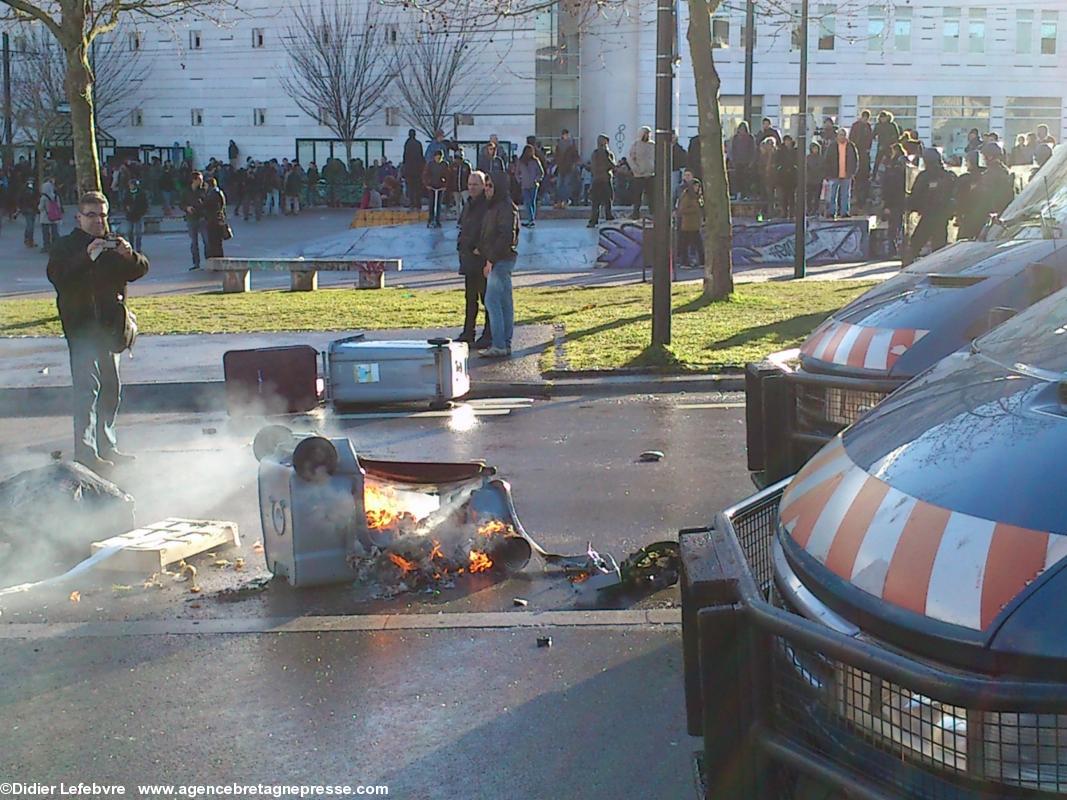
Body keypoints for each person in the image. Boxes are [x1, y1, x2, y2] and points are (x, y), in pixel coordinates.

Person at [46, 191, 149, 474]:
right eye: (91, 215)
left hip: (110, 329)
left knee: (111, 390)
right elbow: (58, 277)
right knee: (86, 392)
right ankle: (86, 453)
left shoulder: (111, 244)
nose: (98, 221)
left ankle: (108, 446)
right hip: (81, 329)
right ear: (79, 217)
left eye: (102, 215)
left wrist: (130, 256)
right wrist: (85, 258)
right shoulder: (67, 246)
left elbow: (139, 270)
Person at [478, 171, 520, 359]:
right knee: (503, 302)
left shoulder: (505, 207)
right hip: (499, 258)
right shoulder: (494, 207)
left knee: (493, 301)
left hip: (501, 260)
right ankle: (504, 343)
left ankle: (499, 343)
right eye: (486, 185)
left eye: (490, 186)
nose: (486, 190)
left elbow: (506, 237)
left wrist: (490, 260)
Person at [457, 170, 492, 348]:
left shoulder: (486, 205)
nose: (471, 188)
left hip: (480, 259)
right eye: (469, 184)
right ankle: (468, 332)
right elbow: (463, 226)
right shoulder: (469, 203)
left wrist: (480, 249)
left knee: (486, 298)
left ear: (483, 185)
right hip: (468, 258)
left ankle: (488, 334)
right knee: (470, 298)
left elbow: (487, 230)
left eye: (475, 185)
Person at [907, 148, 957, 264]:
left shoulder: (925, 176)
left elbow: (916, 195)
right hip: (942, 217)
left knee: (915, 244)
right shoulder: (948, 175)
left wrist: (911, 206)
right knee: (939, 247)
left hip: (929, 215)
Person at [975, 141, 1016, 224]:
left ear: (989, 157)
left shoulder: (990, 173)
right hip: (1004, 211)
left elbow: (985, 196)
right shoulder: (1004, 170)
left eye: (984, 156)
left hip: (993, 213)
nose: (983, 159)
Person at [880, 145, 908, 256]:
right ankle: (898, 249)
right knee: (899, 226)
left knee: (894, 227)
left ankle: (893, 250)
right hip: (901, 202)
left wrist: (886, 205)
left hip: (894, 203)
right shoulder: (902, 171)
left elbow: (887, 188)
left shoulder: (891, 171)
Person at [824, 129, 858, 218]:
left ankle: (844, 212)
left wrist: (853, 172)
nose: (842, 137)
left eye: (843, 135)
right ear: (837, 136)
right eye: (840, 135)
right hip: (834, 174)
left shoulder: (851, 146)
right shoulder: (832, 146)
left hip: (847, 175)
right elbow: (827, 160)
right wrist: (827, 173)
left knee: (845, 195)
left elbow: (855, 160)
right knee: (832, 195)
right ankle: (831, 212)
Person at [953, 151, 985, 240]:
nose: (966, 164)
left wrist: (958, 214)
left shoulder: (964, 179)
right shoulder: (987, 177)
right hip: (984, 218)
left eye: (967, 161)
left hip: (968, 216)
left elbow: (958, 198)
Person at [674, 169, 704, 267]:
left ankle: (700, 262)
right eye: (695, 186)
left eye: (698, 186)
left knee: (698, 244)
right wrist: (694, 211)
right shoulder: (686, 196)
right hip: (687, 225)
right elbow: (682, 209)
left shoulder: (698, 197)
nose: (696, 188)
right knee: (686, 244)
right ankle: (685, 262)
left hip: (695, 224)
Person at [588, 134, 617, 227]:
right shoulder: (607, 153)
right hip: (605, 179)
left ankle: (594, 219)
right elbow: (611, 165)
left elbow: (593, 167)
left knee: (596, 202)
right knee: (607, 199)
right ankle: (608, 216)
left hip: (596, 179)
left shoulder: (594, 153)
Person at [182, 171, 208, 270]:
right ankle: (196, 263)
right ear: (194, 180)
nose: (201, 182)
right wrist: (187, 208)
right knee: (194, 242)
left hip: (202, 218)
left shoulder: (203, 190)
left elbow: (207, 202)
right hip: (191, 218)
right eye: (200, 180)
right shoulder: (186, 191)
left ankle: (208, 261)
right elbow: (181, 203)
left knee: (207, 241)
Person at [628, 125, 655, 218]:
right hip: (638, 175)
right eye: (645, 133)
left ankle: (653, 213)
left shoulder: (653, 145)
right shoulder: (635, 145)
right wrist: (636, 169)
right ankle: (635, 213)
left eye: (648, 133)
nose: (647, 135)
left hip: (650, 174)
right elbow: (631, 159)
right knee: (637, 196)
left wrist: (653, 168)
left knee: (651, 196)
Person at [515, 144, 545, 227]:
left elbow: (541, 172)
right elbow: (517, 173)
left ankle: (531, 220)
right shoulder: (520, 162)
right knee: (527, 202)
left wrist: (537, 179)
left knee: (532, 202)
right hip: (524, 185)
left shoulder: (535, 161)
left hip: (534, 185)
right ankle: (531, 220)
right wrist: (519, 180)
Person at [849, 110, 874, 204]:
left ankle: (862, 198)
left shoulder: (868, 126)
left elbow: (870, 139)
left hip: (864, 153)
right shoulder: (856, 126)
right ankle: (856, 196)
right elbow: (852, 138)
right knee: (857, 175)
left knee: (863, 176)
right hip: (857, 151)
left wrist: (868, 148)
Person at [203, 176, 229, 258]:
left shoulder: (213, 194)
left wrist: (202, 203)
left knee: (214, 242)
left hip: (214, 220)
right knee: (216, 243)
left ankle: (217, 260)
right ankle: (217, 259)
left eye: (205, 185)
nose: (204, 187)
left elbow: (209, 206)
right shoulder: (218, 192)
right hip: (217, 219)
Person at [422, 149, 448, 228]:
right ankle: (430, 219)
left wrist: (445, 185)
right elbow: (425, 175)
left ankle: (437, 220)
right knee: (431, 204)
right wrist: (427, 184)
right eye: (437, 157)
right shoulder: (430, 164)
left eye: (440, 157)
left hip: (440, 187)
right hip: (432, 186)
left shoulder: (444, 164)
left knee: (439, 204)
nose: (438, 159)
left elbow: (447, 175)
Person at [730, 122, 756, 199]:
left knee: (746, 179)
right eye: (740, 129)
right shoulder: (736, 138)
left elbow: (753, 150)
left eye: (743, 129)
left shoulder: (750, 138)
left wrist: (751, 161)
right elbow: (733, 150)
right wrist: (733, 160)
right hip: (738, 162)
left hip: (747, 162)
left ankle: (746, 194)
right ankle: (738, 193)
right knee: (738, 179)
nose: (742, 131)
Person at [122, 179, 149, 252]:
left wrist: (142, 212)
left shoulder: (141, 193)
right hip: (129, 215)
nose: (130, 186)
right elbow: (124, 202)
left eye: (132, 185)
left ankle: (138, 248)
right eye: (130, 185)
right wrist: (126, 208)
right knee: (129, 232)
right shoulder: (127, 193)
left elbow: (145, 204)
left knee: (138, 233)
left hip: (138, 215)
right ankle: (131, 247)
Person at [554, 129, 579, 207]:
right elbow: (557, 156)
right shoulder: (559, 145)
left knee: (566, 185)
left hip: (568, 168)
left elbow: (575, 156)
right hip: (561, 168)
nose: (565, 136)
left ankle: (565, 200)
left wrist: (573, 164)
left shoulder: (571, 145)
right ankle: (560, 201)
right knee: (560, 185)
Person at [775, 136, 798, 220]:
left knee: (791, 196)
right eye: (786, 141)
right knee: (783, 196)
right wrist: (780, 168)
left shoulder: (795, 151)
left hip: (792, 176)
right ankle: (784, 212)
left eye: (789, 140)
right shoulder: (781, 151)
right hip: (783, 176)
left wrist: (794, 167)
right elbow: (777, 161)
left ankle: (792, 213)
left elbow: (798, 161)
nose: (787, 142)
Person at [39, 176, 63, 253]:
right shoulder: (56, 196)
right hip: (54, 217)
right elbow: (59, 206)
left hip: (45, 217)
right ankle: (56, 245)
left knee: (46, 233)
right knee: (55, 232)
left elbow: (41, 207)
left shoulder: (44, 197)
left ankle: (46, 246)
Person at [402, 129, 425, 210]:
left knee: (411, 188)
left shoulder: (407, 144)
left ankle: (412, 203)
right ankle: (418, 203)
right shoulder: (418, 144)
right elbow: (421, 157)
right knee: (417, 187)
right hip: (417, 170)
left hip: (409, 170)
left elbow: (405, 157)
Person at [873, 111, 901, 175]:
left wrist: (893, 144)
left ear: (887, 117)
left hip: (890, 147)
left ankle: (890, 175)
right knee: (877, 161)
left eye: (884, 118)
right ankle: (874, 176)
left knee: (890, 162)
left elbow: (896, 136)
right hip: (881, 146)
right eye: (881, 118)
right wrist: (875, 138)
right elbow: (873, 134)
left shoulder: (892, 125)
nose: (883, 119)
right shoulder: (878, 125)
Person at [804, 143, 824, 215]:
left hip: (818, 180)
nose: (815, 150)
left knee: (817, 197)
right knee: (809, 196)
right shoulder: (808, 158)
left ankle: (815, 210)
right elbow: (805, 168)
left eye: (816, 148)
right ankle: (809, 209)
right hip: (809, 180)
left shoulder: (821, 158)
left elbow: (823, 168)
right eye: (813, 148)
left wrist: (822, 176)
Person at [18, 180, 38, 248]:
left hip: (32, 209)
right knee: (30, 226)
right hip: (28, 210)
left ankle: (29, 240)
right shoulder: (24, 192)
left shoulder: (34, 190)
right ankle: (29, 240)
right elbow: (20, 200)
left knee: (30, 225)